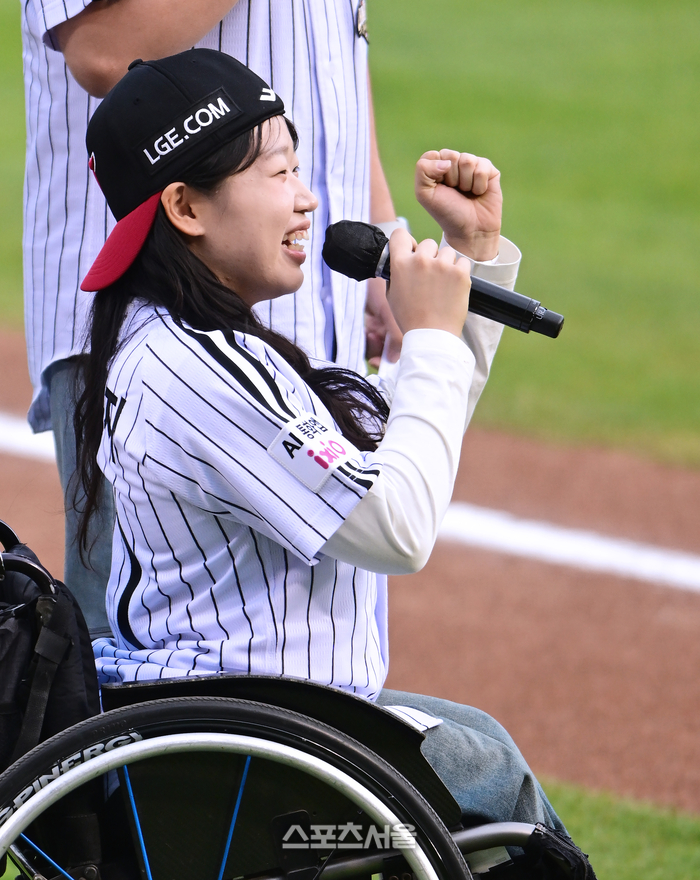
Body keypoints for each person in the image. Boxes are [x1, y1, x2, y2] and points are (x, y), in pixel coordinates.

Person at [70, 50, 595, 862]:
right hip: (252, 754)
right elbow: (396, 527)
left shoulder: (191, 344)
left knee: (479, 741)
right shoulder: (198, 370)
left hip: (258, 723)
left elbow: (400, 446)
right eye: (279, 171)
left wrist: (471, 257)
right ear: (185, 207)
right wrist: (428, 336)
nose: (307, 197)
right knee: (492, 780)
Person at [21, 0, 398, 638]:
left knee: (327, 630)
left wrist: (379, 226)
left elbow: (337, 56)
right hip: (154, 320)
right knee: (129, 654)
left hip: (303, 281)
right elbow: (102, 49)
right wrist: (446, 348)